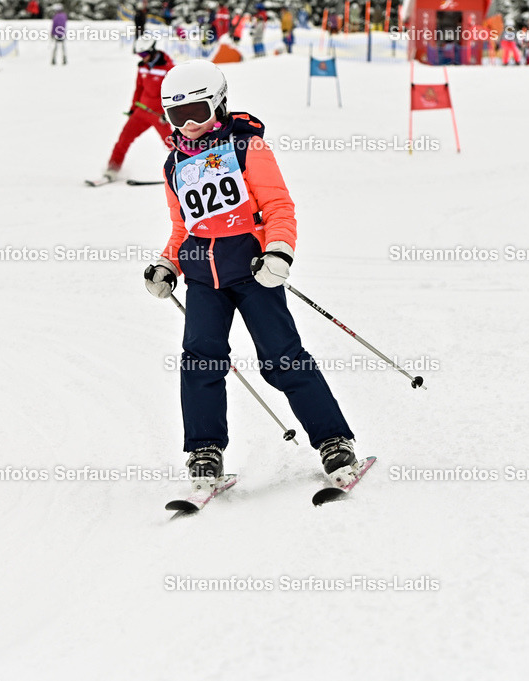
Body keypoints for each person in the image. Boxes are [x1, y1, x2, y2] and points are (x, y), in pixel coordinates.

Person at [143, 60, 360, 495]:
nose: (189, 124)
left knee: (282, 357)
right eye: (177, 115)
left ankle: (334, 440)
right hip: (203, 279)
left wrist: (279, 250)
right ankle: (205, 450)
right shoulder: (174, 164)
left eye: (198, 112)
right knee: (200, 361)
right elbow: (183, 228)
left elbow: (278, 206)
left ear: (219, 104)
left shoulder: (248, 148)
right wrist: (168, 263)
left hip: (254, 273)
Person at [99, 37, 174, 182]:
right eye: (139, 54)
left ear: (152, 51)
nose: (142, 57)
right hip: (141, 111)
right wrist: (133, 109)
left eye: (144, 54)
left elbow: (173, 93)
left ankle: (186, 169)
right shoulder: (142, 67)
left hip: (159, 115)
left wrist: (169, 113)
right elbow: (138, 89)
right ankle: (112, 170)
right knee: (123, 139)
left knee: (172, 144)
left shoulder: (168, 68)